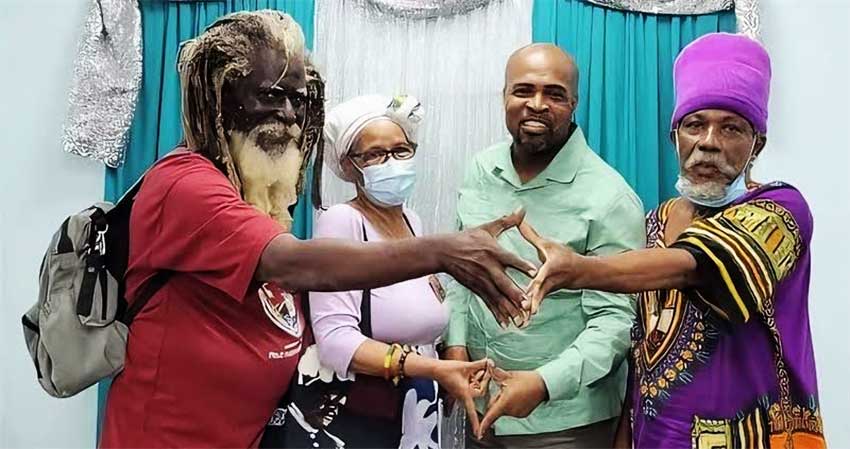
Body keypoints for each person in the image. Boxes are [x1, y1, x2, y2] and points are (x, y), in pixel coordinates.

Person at [98, 11, 534, 448]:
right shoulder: (185, 184)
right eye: (269, 95)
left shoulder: (259, 196)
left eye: (298, 99)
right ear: (219, 99)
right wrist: (444, 252)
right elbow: (291, 265)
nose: (289, 115)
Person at [518, 33, 827, 449]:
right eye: (695, 125)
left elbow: (695, 264)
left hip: (760, 437)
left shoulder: (781, 208)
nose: (709, 142)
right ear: (674, 138)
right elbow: (640, 346)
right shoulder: (653, 222)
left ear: (758, 144)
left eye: (731, 127)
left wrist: (580, 269)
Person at [443, 43, 646, 448]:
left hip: (565, 423)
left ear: (574, 103)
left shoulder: (609, 197)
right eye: (523, 91)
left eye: (554, 94)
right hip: (481, 406)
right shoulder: (482, 169)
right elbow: (460, 270)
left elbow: (615, 323)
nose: (537, 104)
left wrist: (543, 384)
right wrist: (455, 343)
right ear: (504, 97)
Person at [263, 94, 489, 448]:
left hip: (412, 413)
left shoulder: (411, 222)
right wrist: (432, 369)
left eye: (401, 150)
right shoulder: (343, 222)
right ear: (350, 167)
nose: (392, 162)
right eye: (375, 154)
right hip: (361, 416)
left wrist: (449, 362)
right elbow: (335, 342)